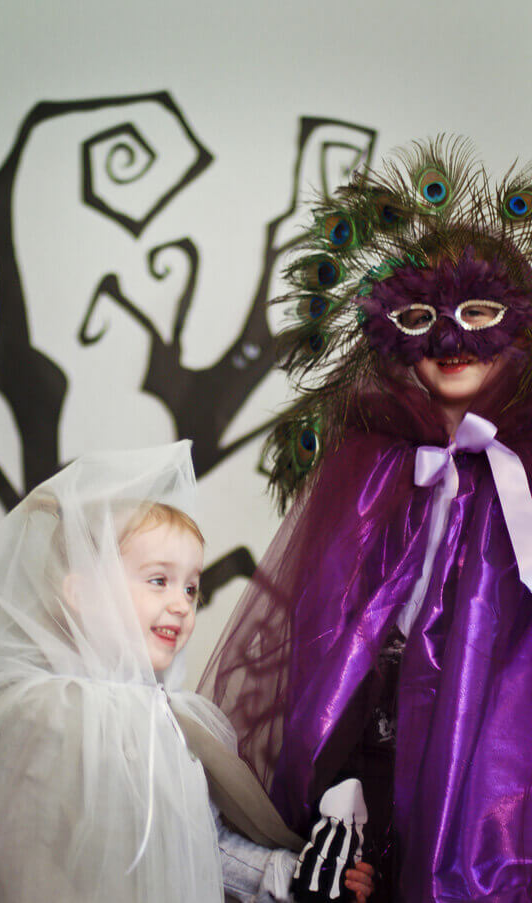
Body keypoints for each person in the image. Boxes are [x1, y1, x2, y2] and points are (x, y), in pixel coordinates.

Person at [199, 138, 532, 901]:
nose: (451, 340)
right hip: (378, 777)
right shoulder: (365, 474)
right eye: (422, 318)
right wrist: (338, 779)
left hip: (501, 788)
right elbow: (332, 642)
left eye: (479, 312)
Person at [0, 441, 374, 903]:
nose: (181, 603)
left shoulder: (172, 720)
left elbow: (197, 845)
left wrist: (286, 874)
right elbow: (19, 859)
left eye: (191, 587)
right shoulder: (49, 712)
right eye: (159, 580)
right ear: (81, 593)